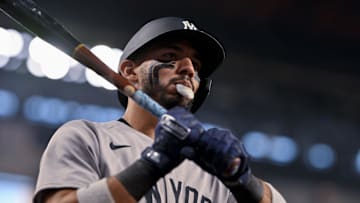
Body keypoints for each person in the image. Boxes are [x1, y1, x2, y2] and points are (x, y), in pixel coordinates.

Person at [33, 17, 286, 203]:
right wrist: (153, 164)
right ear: (130, 72)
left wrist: (242, 180)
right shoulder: (88, 137)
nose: (188, 68)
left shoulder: (212, 171)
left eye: (196, 66)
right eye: (169, 57)